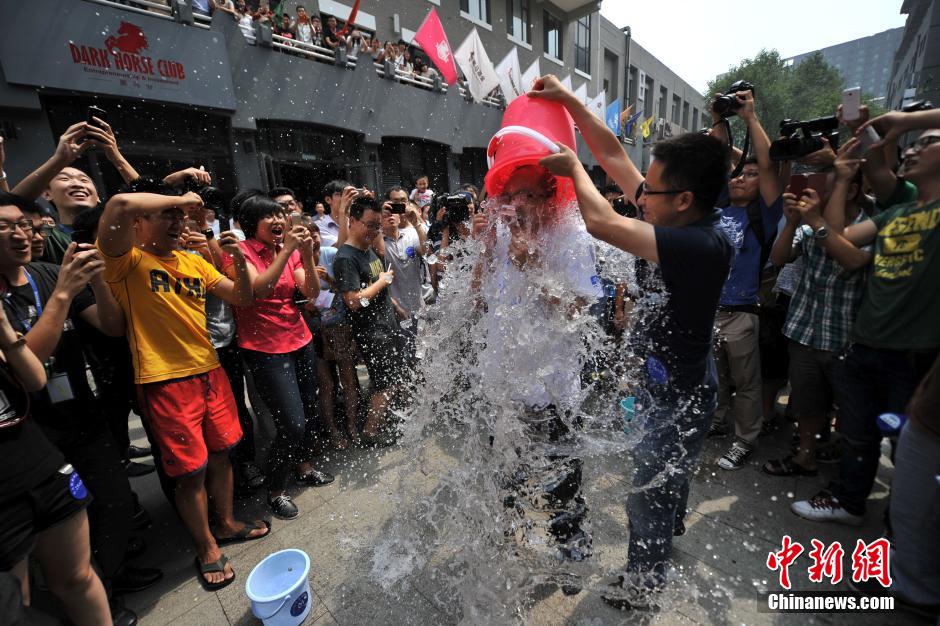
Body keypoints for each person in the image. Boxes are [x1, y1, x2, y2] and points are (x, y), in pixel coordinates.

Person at [532, 74, 733, 610]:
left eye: (653, 191)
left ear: (686, 199)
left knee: (647, 491)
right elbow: (615, 153)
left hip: (680, 392)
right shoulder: (678, 213)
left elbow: (598, 221)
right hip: (667, 376)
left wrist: (573, 167)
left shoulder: (702, 245)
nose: (641, 196)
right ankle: (673, 519)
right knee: (669, 475)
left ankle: (643, 584)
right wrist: (571, 102)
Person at [98, 180, 270, 591]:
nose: (178, 222)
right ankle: (206, 546)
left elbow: (241, 298)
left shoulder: (193, 261)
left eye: (180, 216)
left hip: (209, 370)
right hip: (164, 381)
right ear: (139, 222)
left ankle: (226, 523)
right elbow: (119, 202)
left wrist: (236, 259)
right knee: (191, 472)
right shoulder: (125, 260)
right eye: (168, 215)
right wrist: (182, 198)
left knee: (224, 453)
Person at [0, 193, 162, 616]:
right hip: (31, 433)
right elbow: (26, 370)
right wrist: (63, 295)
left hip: (82, 414)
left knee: (113, 502)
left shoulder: (50, 273)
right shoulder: (50, 286)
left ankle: (107, 580)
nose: (21, 234)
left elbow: (111, 325)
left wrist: (94, 283)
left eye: (25, 224)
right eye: (6, 226)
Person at [790, 107, 940, 525]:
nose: (911, 150)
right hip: (865, 343)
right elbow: (837, 239)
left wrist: (905, 122)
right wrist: (839, 177)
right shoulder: (896, 213)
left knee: (909, 447)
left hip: (917, 355)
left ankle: (904, 531)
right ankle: (850, 502)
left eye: (927, 142)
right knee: (858, 434)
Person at [0, 284, 113, 626]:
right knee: (17, 605)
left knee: (77, 577)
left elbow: (34, 378)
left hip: (39, 463)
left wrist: (5, 332)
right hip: (4, 493)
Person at [762, 140, 871, 477]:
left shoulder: (872, 224)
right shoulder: (807, 226)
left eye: (823, 185)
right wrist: (792, 222)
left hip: (845, 338)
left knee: (853, 413)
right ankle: (804, 457)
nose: (812, 191)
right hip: (804, 331)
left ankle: (848, 483)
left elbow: (853, 261)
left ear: (850, 190)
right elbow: (779, 259)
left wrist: (818, 223)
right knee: (807, 404)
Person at [223, 194, 333, 520]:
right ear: (249, 224)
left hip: (299, 339)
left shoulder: (287, 251)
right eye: (269, 216)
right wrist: (287, 252)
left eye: (281, 215)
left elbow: (310, 292)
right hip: (265, 349)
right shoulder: (239, 253)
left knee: (308, 412)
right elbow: (260, 290)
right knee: (292, 423)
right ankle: (275, 489)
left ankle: (304, 467)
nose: (279, 221)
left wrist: (307, 257)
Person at [705, 89, 784, 471]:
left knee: (746, 382)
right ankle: (717, 422)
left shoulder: (764, 214)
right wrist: (718, 118)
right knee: (716, 376)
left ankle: (745, 438)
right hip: (709, 310)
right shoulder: (719, 205)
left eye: (752, 175)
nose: (744, 178)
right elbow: (717, 158)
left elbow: (769, 167)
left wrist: (751, 118)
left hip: (741, 313)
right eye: (742, 173)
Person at [333, 194, 406, 447]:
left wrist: (395, 305)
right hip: (372, 333)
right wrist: (381, 282)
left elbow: (377, 288)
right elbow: (354, 301)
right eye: (370, 225)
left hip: (386, 327)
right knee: (385, 385)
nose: (374, 230)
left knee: (389, 381)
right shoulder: (346, 257)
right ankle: (370, 433)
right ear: (352, 221)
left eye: (378, 225)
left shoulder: (368, 250)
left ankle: (377, 425)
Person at [12, 119, 139, 264]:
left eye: (84, 180)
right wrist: (59, 160)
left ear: (97, 196)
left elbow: (156, 206)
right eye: (65, 179)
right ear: (47, 193)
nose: (77, 184)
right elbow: (11, 207)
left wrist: (116, 157)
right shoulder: (46, 233)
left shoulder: (123, 228)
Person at [318, 180, 348, 248]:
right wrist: (343, 212)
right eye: (340, 194)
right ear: (328, 199)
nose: (345, 198)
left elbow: (376, 247)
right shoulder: (321, 226)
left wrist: (370, 206)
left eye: (347, 194)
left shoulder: (358, 220)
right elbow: (341, 250)